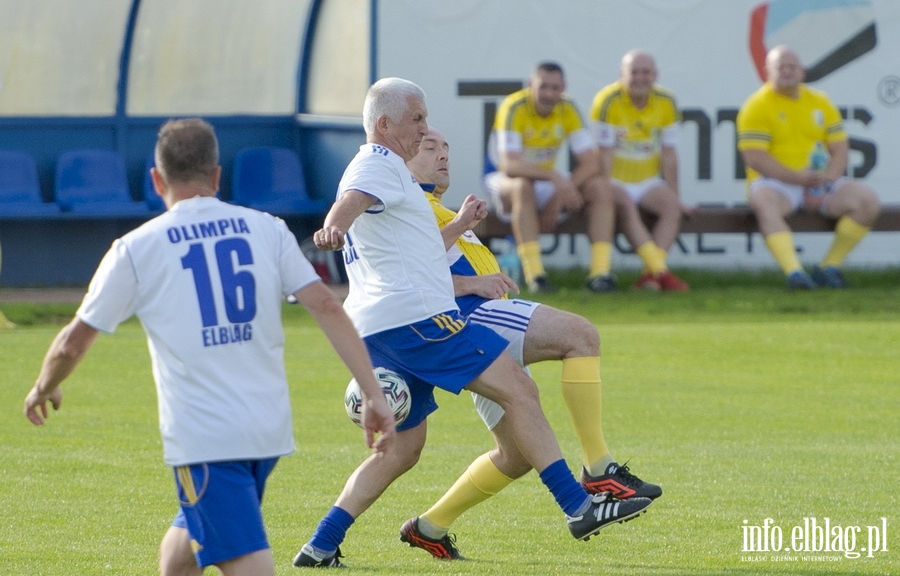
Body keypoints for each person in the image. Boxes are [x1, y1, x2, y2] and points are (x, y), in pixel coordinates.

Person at [293, 78, 651, 568]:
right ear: (384, 124)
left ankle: (321, 544)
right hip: (417, 322)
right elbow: (351, 200)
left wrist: (458, 226)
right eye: (417, 119)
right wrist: (334, 223)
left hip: (379, 334)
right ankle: (580, 505)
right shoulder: (376, 162)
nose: (425, 129)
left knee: (401, 451)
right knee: (520, 391)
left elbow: (410, 249)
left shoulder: (392, 173)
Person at [22, 118, 397, 576]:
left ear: (156, 179)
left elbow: (72, 343)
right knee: (181, 556)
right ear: (217, 176)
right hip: (267, 430)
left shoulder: (137, 248)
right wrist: (372, 392)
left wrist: (44, 385)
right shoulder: (269, 229)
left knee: (250, 566)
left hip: (206, 439)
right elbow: (327, 307)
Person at [400, 127, 661, 559]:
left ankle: (430, 525)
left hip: (476, 330)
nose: (442, 154)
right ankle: (599, 469)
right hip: (472, 320)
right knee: (580, 335)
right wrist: (473, 280)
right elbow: (404, 278)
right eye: (429, 147)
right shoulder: (410, 207)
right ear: (405, 156)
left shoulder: (437, 208)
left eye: (446, 147)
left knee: (517, 455)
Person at [736, 45, 881, 289]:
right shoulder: (756, 105)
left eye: (792, 66)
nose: (787, 71)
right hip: (777, 182)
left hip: (817, 181)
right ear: (767, 72)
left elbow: (840, 150)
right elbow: (756, 159)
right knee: (763, 202)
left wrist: (824, 184)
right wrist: (798, 179)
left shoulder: (820, 101)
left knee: (867, 202)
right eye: (780, 67)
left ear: (802, 71)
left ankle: (829, 267)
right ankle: (795, 274)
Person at [483, 61, 617, 294]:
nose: (549, 94)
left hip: (545, 182)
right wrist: (556, 178)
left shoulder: (567, 108)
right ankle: (536, 276)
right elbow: (509, 165)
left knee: (600, 186)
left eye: (555, 88)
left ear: (563, 87)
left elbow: (591, 162)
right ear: (530, 85)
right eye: (543, 87)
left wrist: (559, 193)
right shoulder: (514, 106)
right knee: (522, 186)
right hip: (502, 179)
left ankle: (600, 274)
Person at [590, 50, 691, 292]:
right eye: (634, 72)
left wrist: (675, 195)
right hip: (614, 179)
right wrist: (607, 189)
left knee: (671, 207)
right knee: (625, 203)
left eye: (646, 72)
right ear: (621, 75)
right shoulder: (607, 100)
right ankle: (660, 271)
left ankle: (649, 276)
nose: (640, 78)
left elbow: (669, 153)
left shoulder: (667, 101)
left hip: (646, 180)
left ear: (655, 75)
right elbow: (603, 152)